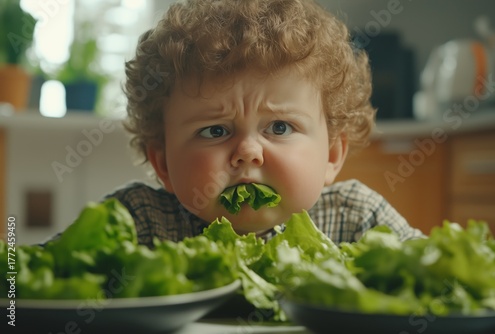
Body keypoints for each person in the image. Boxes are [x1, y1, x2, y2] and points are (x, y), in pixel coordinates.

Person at [106, 0, 424, 248]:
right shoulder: (139, 221)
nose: (247, 152)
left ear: (331, 155)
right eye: (215, 131)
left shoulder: (356, 218)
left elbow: (444, 281)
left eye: (280, 128)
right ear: (163, 163)